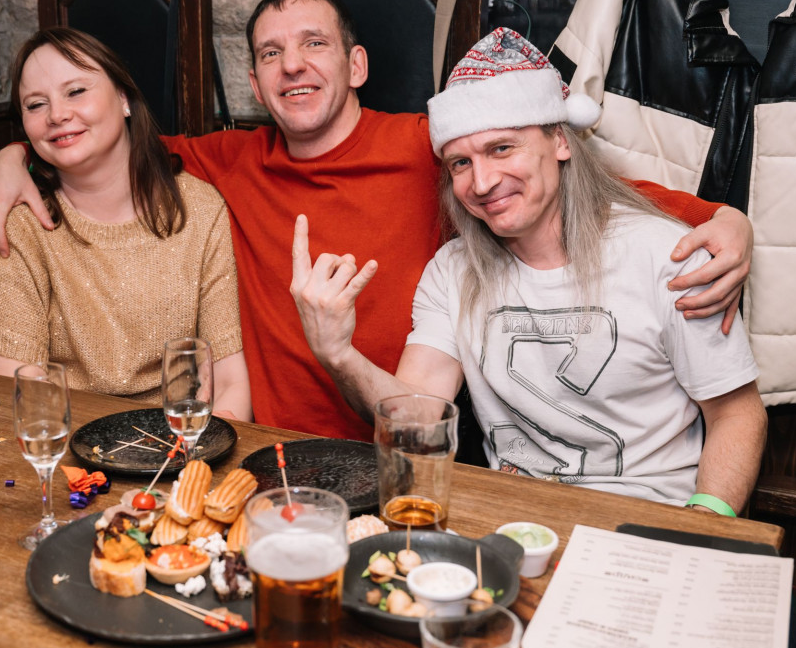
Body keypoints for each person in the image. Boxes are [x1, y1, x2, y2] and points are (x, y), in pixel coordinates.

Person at [0, 0, 753, 443]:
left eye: (313, 44)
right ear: (255, 83)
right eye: (271, 54)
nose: (293, 66)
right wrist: (12, 157)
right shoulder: (229, 161)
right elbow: (101, 141)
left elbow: (571, 180)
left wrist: (724, 218)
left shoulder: (434, 148)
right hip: (261, 453)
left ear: (356, 64)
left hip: (397, 445)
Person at [291, 27, 767, 510]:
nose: (482, 182)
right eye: (460, 163)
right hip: (515, 521)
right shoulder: (452, 271)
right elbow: (419, 419)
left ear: (559, 140)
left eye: (501, 148)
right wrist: (339, 355)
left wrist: (708, 525)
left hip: (647, 519)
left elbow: (736, 414)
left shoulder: (668, 256)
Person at [0, 27, 250, 419]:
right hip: (67, 442)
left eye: (75, 91)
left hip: (183, 441)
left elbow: (230, 380)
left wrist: (199, 452)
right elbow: (23, 394)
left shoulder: (199, 210)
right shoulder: (14, 225)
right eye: (36, 104)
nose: (57, 115)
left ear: (123, 98)